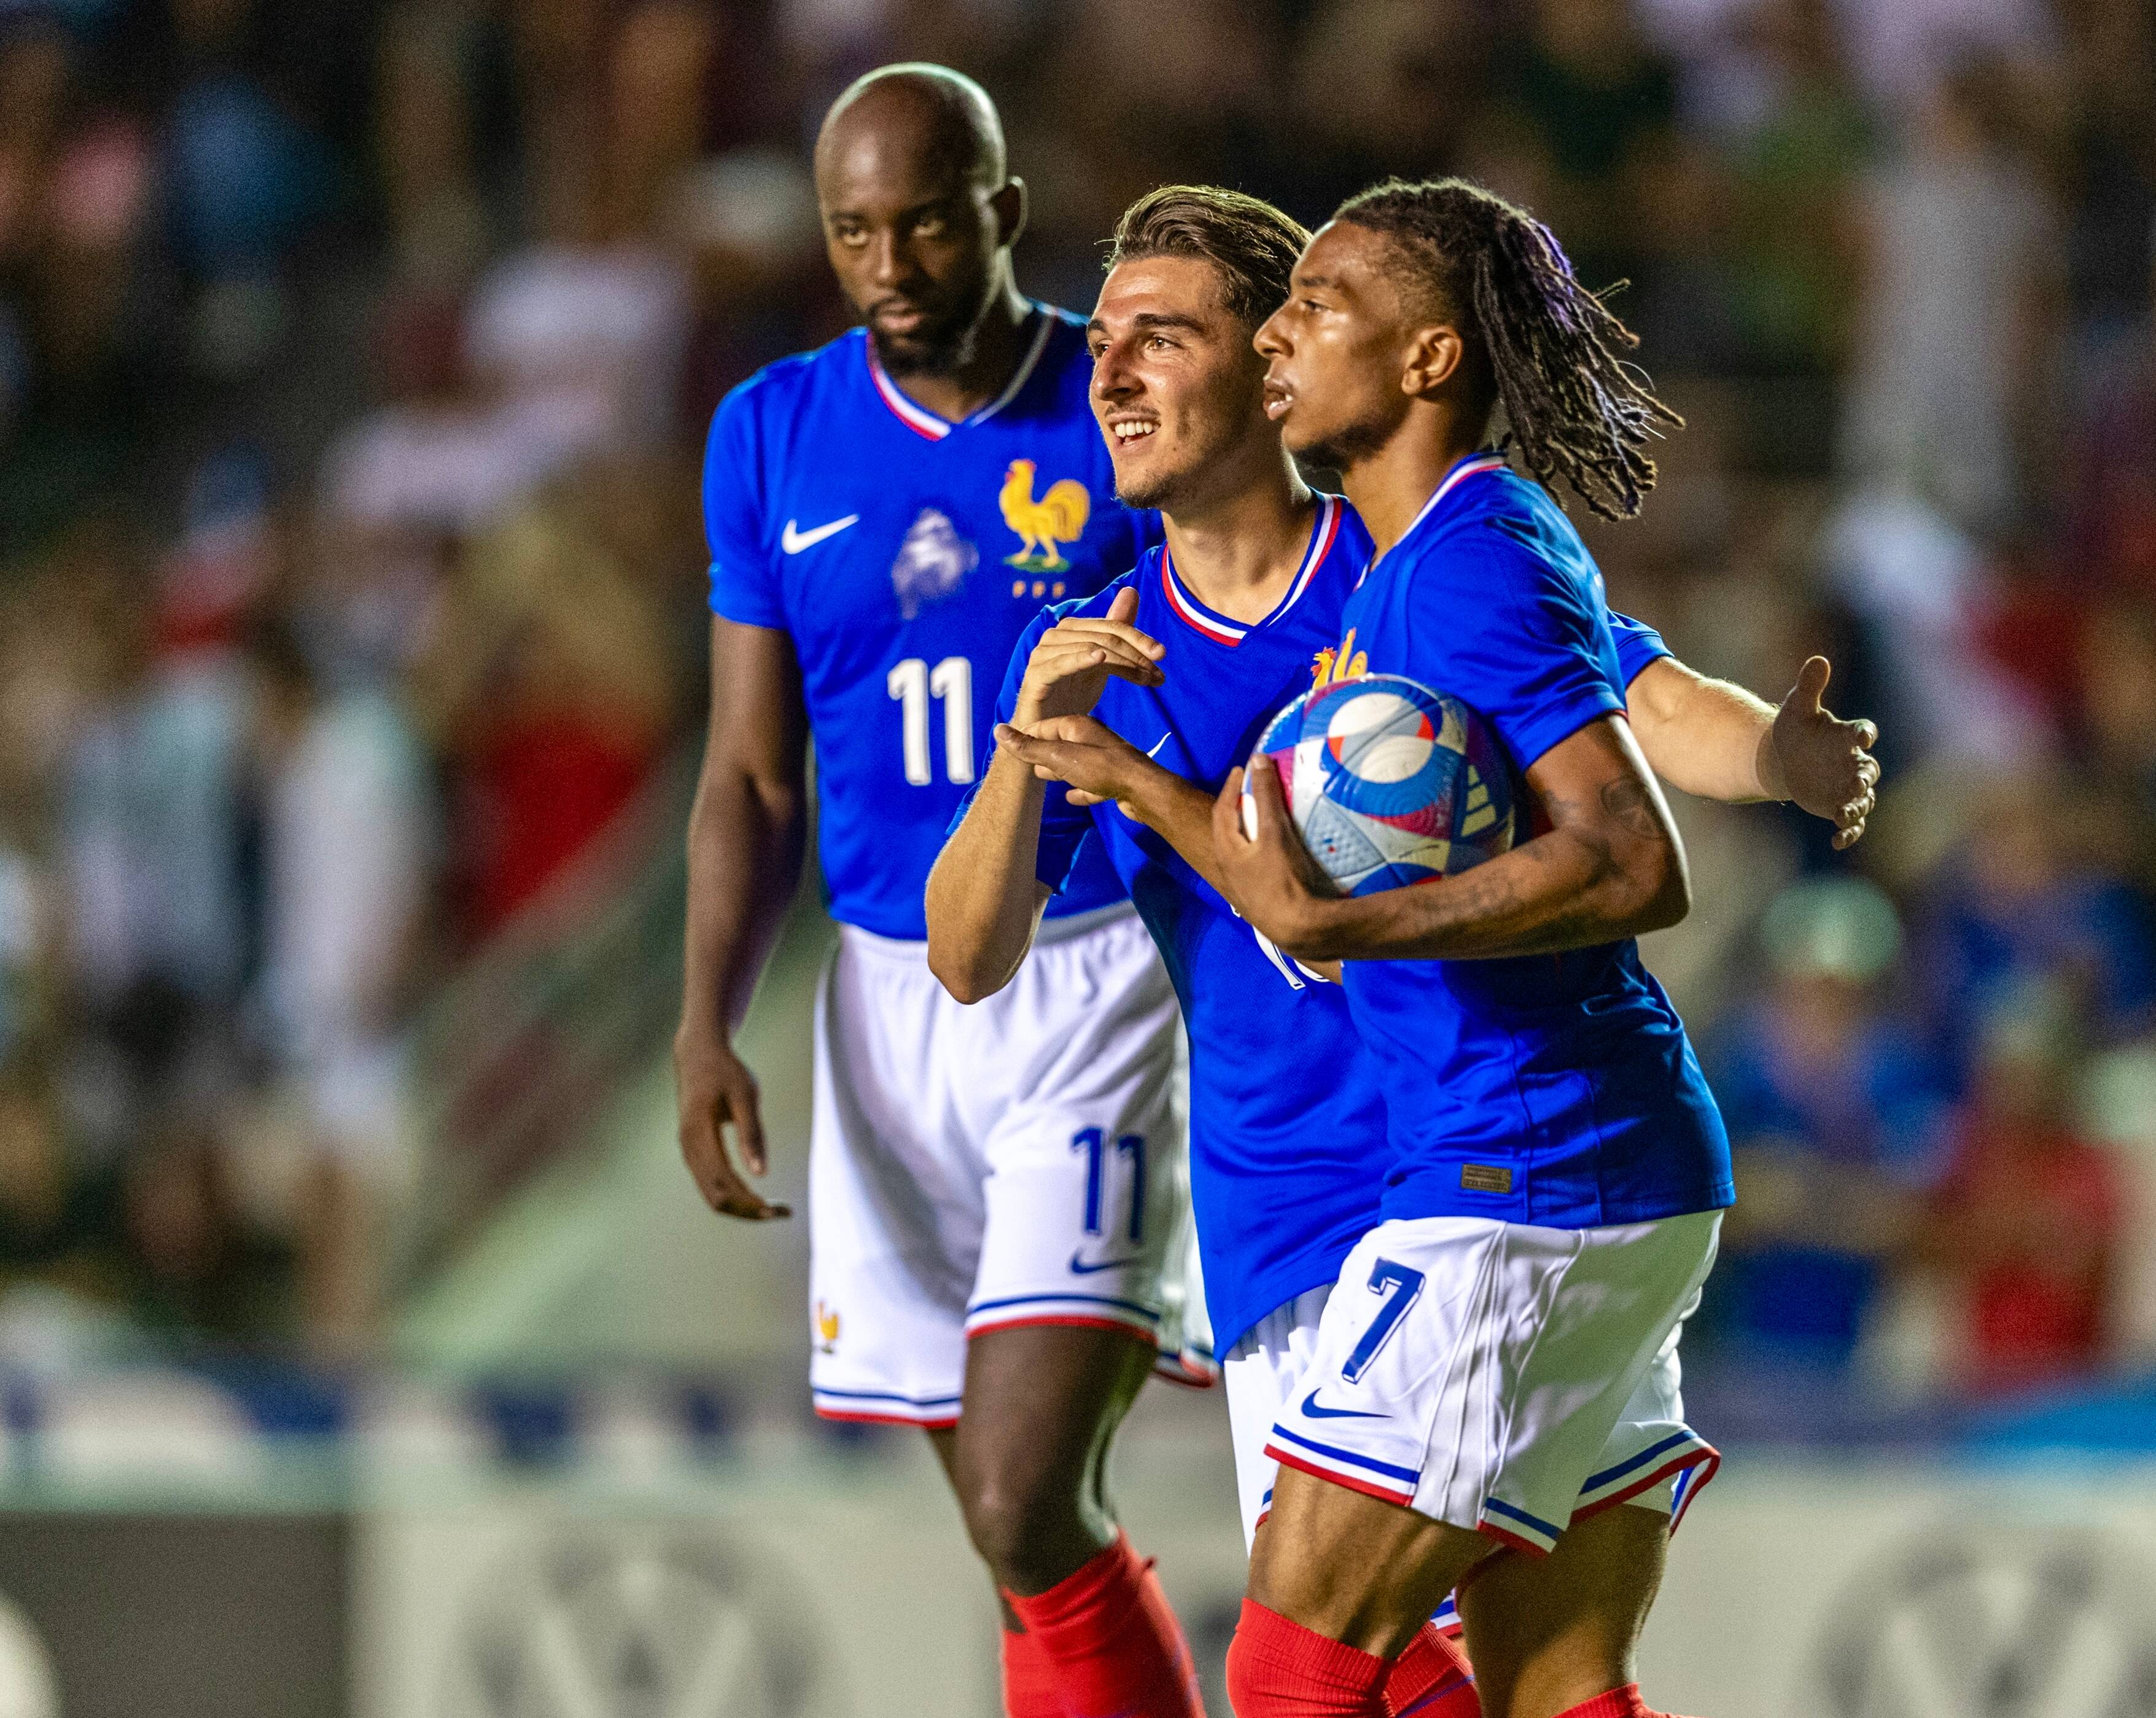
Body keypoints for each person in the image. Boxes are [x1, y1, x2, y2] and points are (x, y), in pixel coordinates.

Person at [928, 185, 1878, 1718]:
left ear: (1263, 356)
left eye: (1162, 334)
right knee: (1533, 1677)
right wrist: (1031, 749)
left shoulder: (1421, 557)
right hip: (1301, 1210)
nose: (1107, 371)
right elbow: (968, 953)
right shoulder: (1124, 649)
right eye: (1099, 340)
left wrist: (1768, 750)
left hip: (1476, 1171)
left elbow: (1630, 709)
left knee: (1313, 1667)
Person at [1205, 177, 1867, 1718]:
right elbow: (1636, 691)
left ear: (1429, 357)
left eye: (1318, 305)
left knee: (1294, 1669)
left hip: (1523, 1174)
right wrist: (1771, 749)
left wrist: (1341, 920)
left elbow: (1629, 855)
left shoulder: (1468, 560)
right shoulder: (1446, 552)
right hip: (1598, 1173)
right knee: (1556, 1684)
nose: (1276, 334)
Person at [671, 66, 1202, 1718]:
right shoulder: (769, 432)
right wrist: (704, 1017)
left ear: (1004, 213)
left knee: (1025, 1496)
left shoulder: (1123, 400)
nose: (888, 265)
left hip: (1097, 970)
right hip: (882, 1009)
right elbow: (753, 773)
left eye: (924, 225)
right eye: (852, 232)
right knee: (1011, 1532)